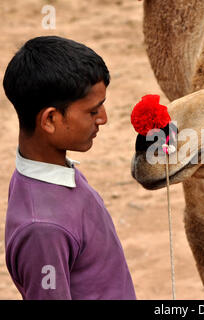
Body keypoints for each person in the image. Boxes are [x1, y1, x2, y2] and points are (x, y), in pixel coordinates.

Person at [3, 36, 136, 300]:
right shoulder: (42, 230)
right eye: (92, 111)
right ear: (50, 119)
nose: (104, 119)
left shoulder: (51, 169)